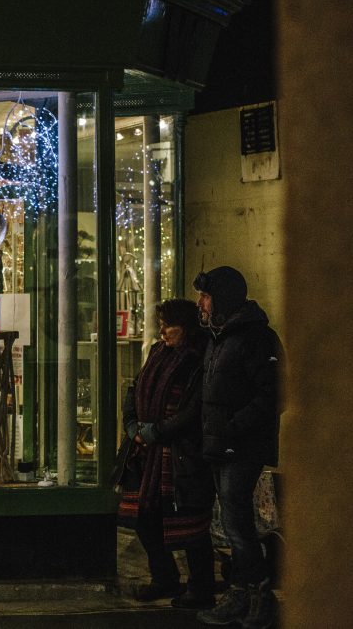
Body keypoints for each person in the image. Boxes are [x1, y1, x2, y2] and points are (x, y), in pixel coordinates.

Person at [193, 266, 281, 629]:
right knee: (232, 524)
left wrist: (232, 429)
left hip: (242, 447)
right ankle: (243, 592)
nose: (201, 303)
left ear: (223, 298)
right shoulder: (219, 338)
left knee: (237, 523)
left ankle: (258, 594)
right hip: (222, 446)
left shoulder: (255, 339)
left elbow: (273, 394)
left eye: (207, 296)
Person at [116, 298, 215, 609]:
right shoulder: (158, 353)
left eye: (169, 325)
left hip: (179, 455)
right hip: (146, 454)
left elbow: (192, 410)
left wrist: (156, 431)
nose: (163, 331)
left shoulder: (197, 360)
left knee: (190, 523)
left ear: (185, 328)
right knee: (144, 516)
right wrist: (133, 425)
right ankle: (164, 577)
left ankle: (201, 587)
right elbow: (135, 387)